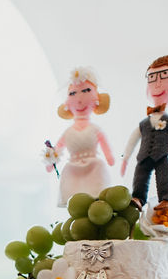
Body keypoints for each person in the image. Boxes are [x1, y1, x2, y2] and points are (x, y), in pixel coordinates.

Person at [120, 55, 168, 210]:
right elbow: (132, 140)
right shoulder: (143, 123)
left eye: (164, 76)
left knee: (164, 177)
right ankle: (138, 198)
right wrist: (125, 157)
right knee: (140, 177)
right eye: (152, 77)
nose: (158, 83)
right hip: (143, 156)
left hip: (163, 155)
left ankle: (167, 199)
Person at [44, 67, 115, 207]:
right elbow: (58, 148)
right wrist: (52, 159)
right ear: (67, 104)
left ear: (97, 99)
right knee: (76, 204)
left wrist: (109, 158)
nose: (79, 99)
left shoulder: (95, 129)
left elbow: (108, 152)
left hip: (95, 168)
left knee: (97, 201)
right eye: (73, 93)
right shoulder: (68, 132)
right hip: (73, 170)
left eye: (86, 91)